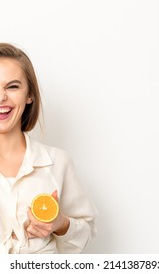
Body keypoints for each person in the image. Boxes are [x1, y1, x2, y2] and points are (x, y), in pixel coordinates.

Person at [0, 43, 97, 254]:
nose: (1, 97)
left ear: (29, 95)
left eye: (12, 86)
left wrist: (60, 224)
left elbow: (86, 231)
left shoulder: (58, 162)